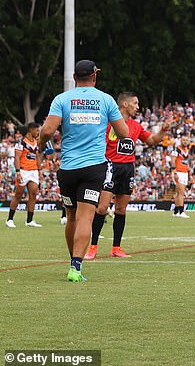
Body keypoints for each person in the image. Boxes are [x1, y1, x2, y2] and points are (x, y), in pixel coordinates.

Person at [38, 59, 128, 282]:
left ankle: (72, 259)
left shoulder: (62, 99)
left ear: (75, 77)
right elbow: (124, 132)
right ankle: (76, 267)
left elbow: (48, 130)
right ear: (95, 76)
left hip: (68, 167)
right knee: (86, 217)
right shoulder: (106, 99)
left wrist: (41, 146)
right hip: (93, 167)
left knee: (71, 217)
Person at [85, 92, 172, 260]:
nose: (138, 107)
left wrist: (164, 129)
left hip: (128, 169)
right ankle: (93, 246)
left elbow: (152, 141)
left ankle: (116, 248)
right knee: (102, 208)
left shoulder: (136, 126)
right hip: (110, 167)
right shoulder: (108, 124)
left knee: (121, 209)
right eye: (135, 103)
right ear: (124, 105)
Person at [5, 122, 43, 228]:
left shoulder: (36, 142)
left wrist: (40, 171)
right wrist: (18, 171)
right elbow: (17, 157)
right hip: (23, 171)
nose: (38, 132)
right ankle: (10, 219)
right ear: (31, 130)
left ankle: (29, 220)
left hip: (33, 171)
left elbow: (37, 157)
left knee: (33, 194)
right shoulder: (21, 143)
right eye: (36, 130)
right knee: (18, 194)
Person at [172, 134, 191, 218]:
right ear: (181, 140)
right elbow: (173, 160)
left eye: (186, 140)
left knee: (178, 193)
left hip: (185, 172)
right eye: (183, 140)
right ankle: (181, 211)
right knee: (181, 192)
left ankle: (176, 211)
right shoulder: (176, 149)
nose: (185, 142)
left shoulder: (187, 150)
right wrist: (174, 171)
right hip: (178, 172)